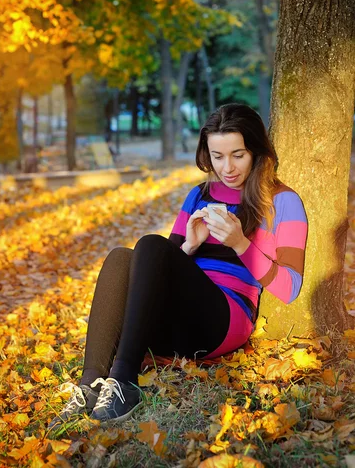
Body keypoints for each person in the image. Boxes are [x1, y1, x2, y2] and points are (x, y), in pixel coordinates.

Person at [48, 103, 308, 431]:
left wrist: (241, 243)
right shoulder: (198, 195)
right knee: (121, 257)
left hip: (224, 320)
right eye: (217, 156)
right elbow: (156, 269)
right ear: (207, 155)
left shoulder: (284, 202)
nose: (227, 167)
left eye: (238, 155)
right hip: (176, 323)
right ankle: (90, 384)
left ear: (256, 150)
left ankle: (124, 381)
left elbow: (291, 288)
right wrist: (189, 246)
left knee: (150, 243)